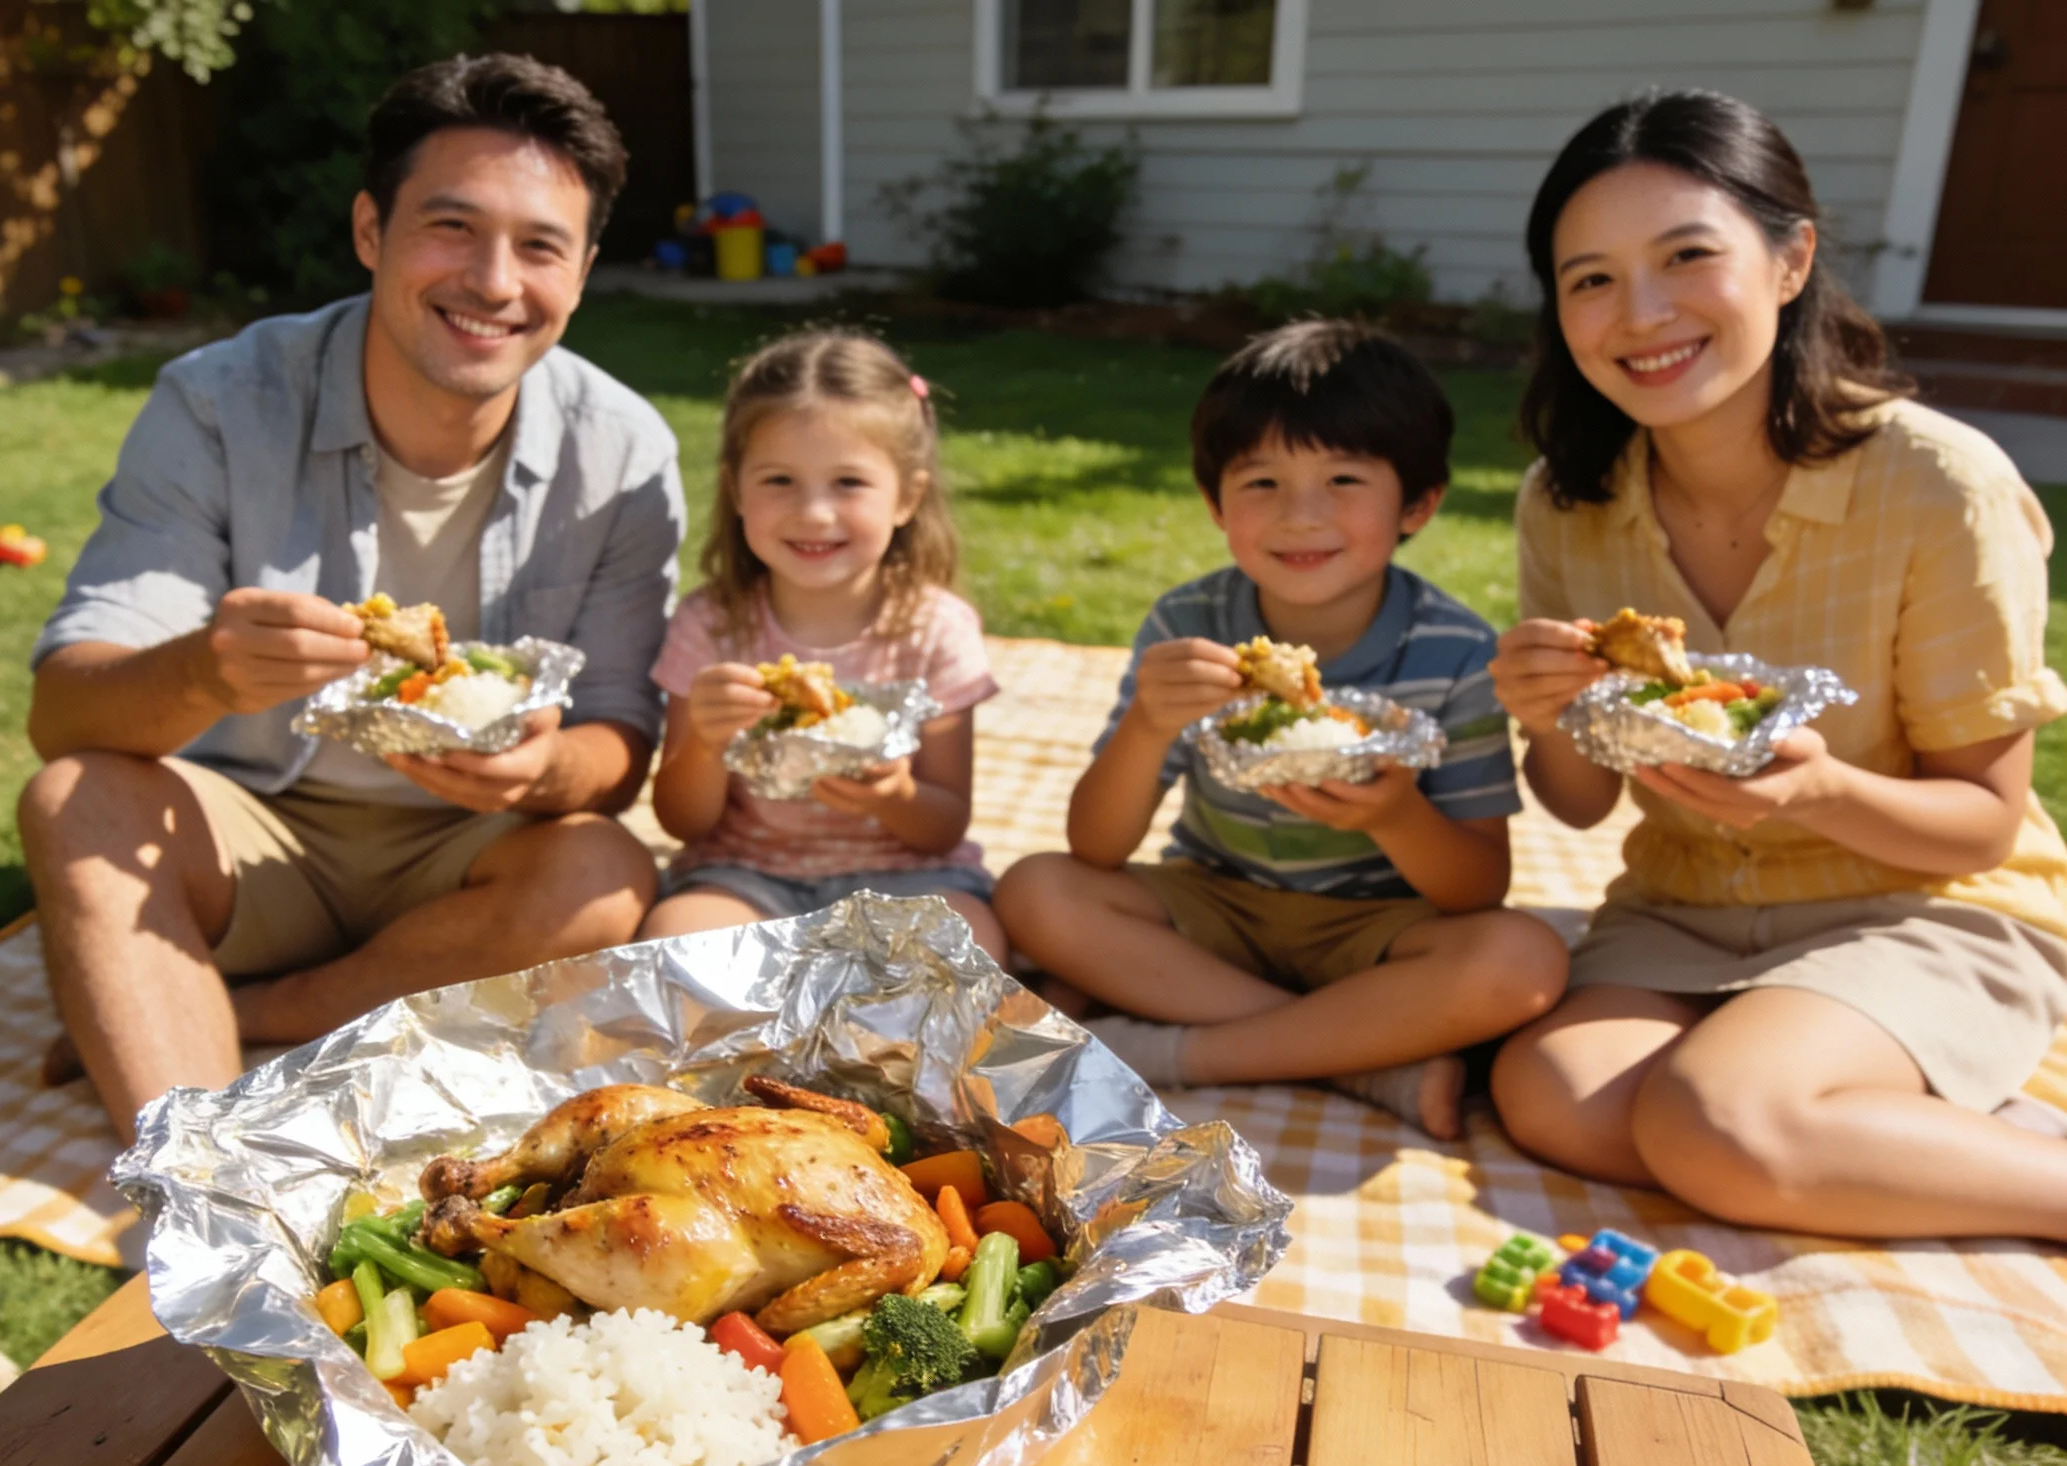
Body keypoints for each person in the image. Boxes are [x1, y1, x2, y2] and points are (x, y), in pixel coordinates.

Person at [17, 55, 678, 1136]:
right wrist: (205, 670)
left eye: (540, 246)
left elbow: (618, 738)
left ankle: (262, 1011)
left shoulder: (624, 449)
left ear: (584, 270)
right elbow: (65, 715)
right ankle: (195, 1171)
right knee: (75, 800)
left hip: (469, 858)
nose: (494, 282)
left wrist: (542, 768)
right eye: (452, 227)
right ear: (371, 229)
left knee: (605, 873)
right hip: (245, 832)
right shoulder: (218, 402)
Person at [1488, 90, 2067, 1242]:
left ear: (1791, 260)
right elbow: (1580, 801)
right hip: (1682, 909)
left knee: (1720, 1120)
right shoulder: (1568, 500)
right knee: (1551, 1093)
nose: (1640, 314)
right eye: (1591, 278)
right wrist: (1547, 713)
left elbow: (1983, 825)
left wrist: (1818, 791)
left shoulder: (1939, 486)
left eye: (1687, 256)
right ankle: (1840, 1123)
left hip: (1917, 907)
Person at [997, 320, 1567, 1136]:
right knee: (1036, 891)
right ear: (1214, 504)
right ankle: (1362, 1055)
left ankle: (1175, 1052)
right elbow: (1095, 847)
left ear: (1418, 504)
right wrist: (1148, 726)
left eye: (1343, 479)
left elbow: (1478, 887)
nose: (1301, 515)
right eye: (1261, 482)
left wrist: (1395, 816)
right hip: (1215, 910)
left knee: (1524, 961)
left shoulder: (1457, 651)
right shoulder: (1188, 624)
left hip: (1380, 927)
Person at [638, 329, 1005, 958]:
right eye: (780, 479)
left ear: (907, 497)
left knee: (969, 946)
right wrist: (704, 741)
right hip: (744, 877)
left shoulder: (937, 629)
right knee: (672, 944)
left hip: (910, 878)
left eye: (848, 482)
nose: (813, 512)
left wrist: (896, 797)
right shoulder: (709, 626)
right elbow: (682, 822)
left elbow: (945, 827)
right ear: (735, 490)